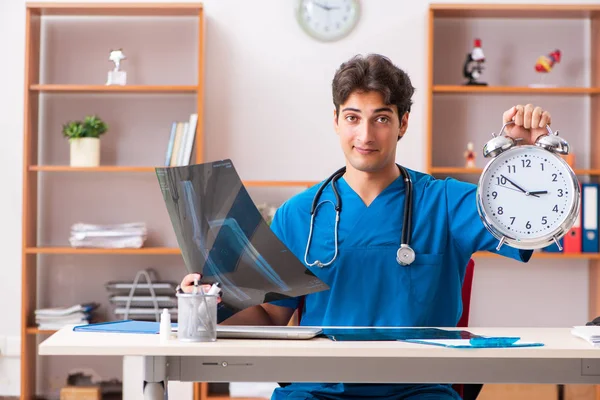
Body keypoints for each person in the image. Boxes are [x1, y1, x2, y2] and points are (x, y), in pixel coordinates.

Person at [179, 53, 552, 400]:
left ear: (403, 123)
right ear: (337, 121)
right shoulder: (298, 214)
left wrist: (531, 157)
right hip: (318, 389)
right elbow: (270, 316)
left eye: (382, 118)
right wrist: (209, 298)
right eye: (353, 117)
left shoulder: (447, 202)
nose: (366, 135)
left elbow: (536, 226)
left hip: (418, 390)